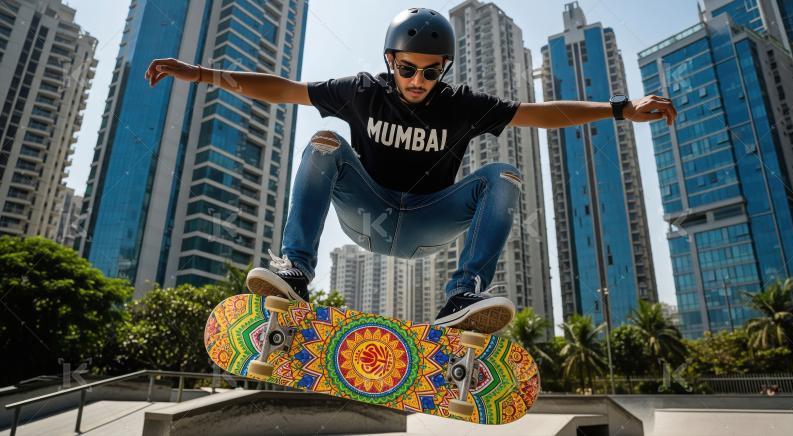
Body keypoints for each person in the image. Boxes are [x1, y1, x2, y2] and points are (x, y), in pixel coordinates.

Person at [145, 7, 675, 334]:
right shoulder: (359, 91)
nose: (418, 80)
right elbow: (285, 89)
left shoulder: (462, 104)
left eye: (431, 72)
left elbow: (539, 115)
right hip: (367, 211)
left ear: (445, 70)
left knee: (505, 175)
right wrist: (201, 73)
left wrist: (620, 109)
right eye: (406, 68)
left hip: (427, 223)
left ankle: (463, 295)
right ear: (389, 59)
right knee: (325, 141)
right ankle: (295, 272)